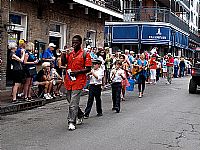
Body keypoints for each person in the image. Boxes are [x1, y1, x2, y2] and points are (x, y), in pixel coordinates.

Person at [62, 35, 92, 131]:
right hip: (69, 80)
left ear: (80, 43)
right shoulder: (70, 53)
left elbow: (88, 68)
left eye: (76, 42)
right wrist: (63, 54)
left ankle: (71, 121)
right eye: (73, 42)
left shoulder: (85, 54)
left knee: (73, 102)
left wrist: (77, 72)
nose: (74, 44)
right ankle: (80, 113)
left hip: (79, 80)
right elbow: (63, 63)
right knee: (70, 100)